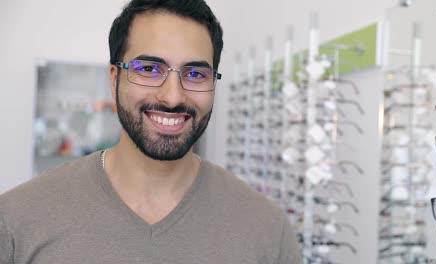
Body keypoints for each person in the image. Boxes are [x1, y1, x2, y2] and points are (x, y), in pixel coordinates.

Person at [0, 0, 302, 263]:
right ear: (115, 78)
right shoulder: (17, 221)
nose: (172, 97)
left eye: (196, 74)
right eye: (148, 69)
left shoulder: (267, 230)